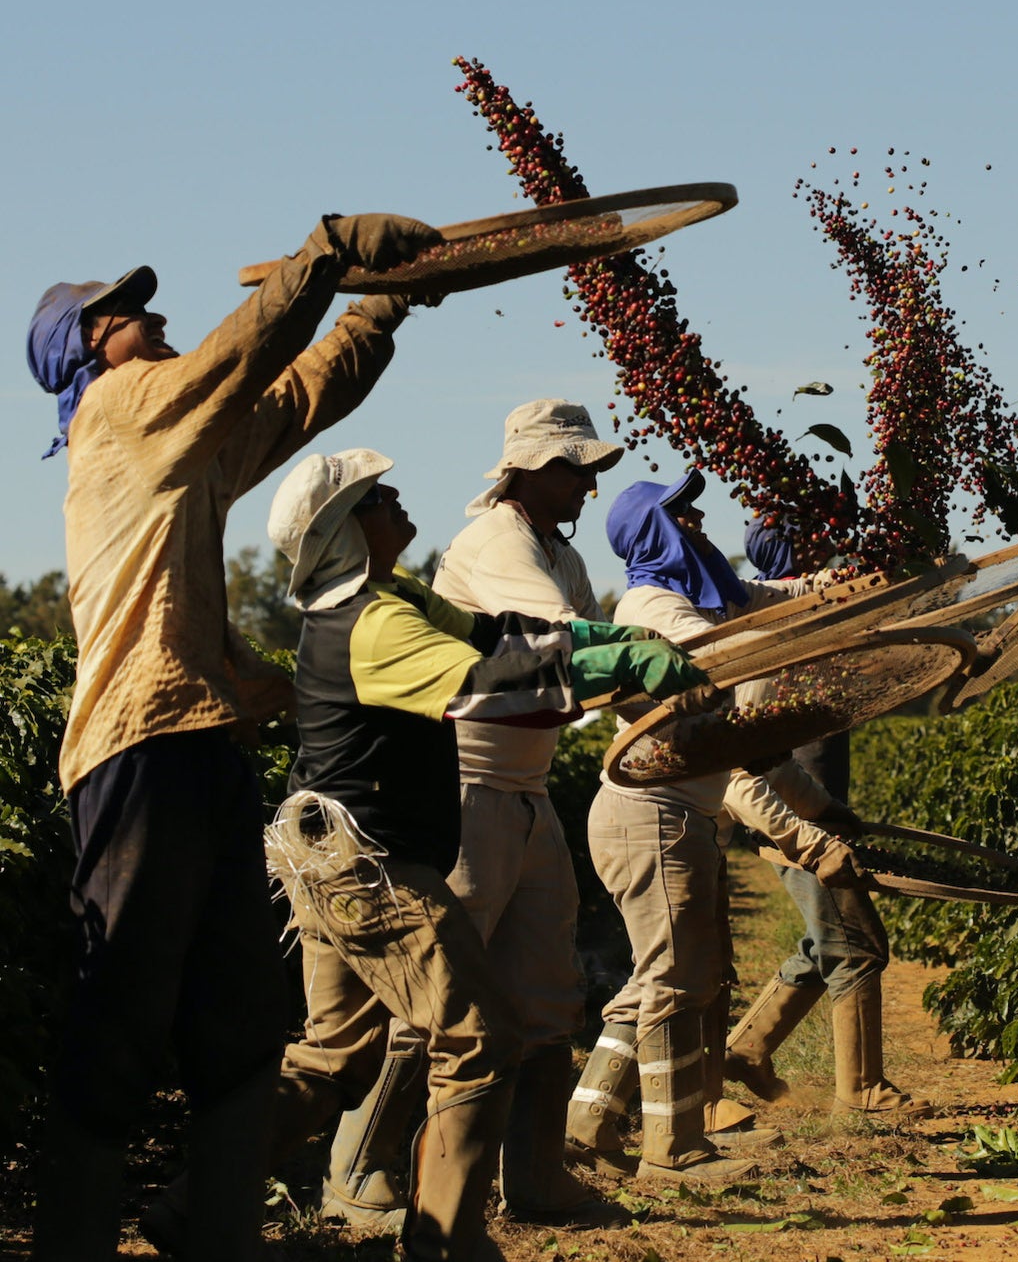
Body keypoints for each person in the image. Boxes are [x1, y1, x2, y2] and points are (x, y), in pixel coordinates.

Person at [23, 213, 443, 1262]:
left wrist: (380, 309)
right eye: (126, 314)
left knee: (241, 1022)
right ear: (89, 352)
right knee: (121, 1017)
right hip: (136, 749)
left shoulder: (186, 449)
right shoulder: (119, 413)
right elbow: (240, 353)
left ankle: (215, 1237)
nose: (155, 317)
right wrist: (326, 252)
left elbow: (293, 394)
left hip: (200, 743)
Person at [261, 447, 708, 1261]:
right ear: (346, 532)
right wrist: (621, 662)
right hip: (370, 863)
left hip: (335, 854)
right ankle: (447, 1240)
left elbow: (495, 630)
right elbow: (491, 678)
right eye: (379, 496)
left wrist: (612, 637)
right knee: (473, 1033)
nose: (401, 500)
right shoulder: (375, 623)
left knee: (338, 1053)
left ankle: (196, 1203)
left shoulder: (392, 595)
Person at [323, 400, 629, 1230]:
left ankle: (533, 1175)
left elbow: (590, 667)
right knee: (438, 995)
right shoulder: (499, 542)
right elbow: (566, 642)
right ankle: (360, 1168)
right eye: (574, 470)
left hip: (525, 793)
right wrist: (635, 653)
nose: (585, 487)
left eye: (591, 472)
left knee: (545, 988)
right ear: (527, 468)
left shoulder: (557, 550)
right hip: (469, 794)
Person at [566, 471, 866, 1185]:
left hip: (673, 813)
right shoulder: (657, 607)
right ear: (658, 532)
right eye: (684, 513)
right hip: (650, 814)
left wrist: (855, 582)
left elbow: (752, 728)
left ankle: (588, 1121)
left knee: (661, 975)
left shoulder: (701, 600)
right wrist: (809, 836)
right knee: (676, 979)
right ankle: (672, 1146)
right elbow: (742, 693)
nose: (700, 518)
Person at [722, 516, 932, 1117]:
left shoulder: (815, 624)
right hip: (793, 828)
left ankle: (747, 1047)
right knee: (859, 945)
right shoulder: (781, 635)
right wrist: (807, 831)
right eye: (822, 550)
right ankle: (861, 1091)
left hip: (810, 817)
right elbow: (755, 761)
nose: (836, 562)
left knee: (831, 940)